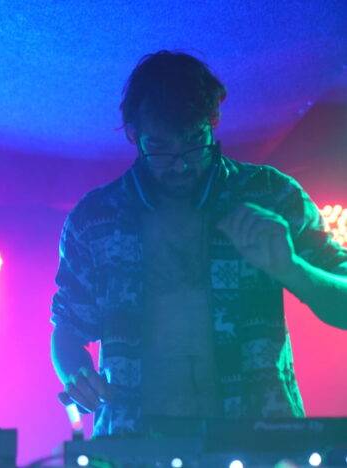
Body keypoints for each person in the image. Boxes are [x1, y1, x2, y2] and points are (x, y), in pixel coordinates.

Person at [50, 50, 347, 436]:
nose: (180, 164)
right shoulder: (95, 219)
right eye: (160, 147)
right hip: (135, 446)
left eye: (194, 141)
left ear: (214, 121)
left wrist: (293, 269)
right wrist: (78, 375)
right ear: (133, 135)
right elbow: (67, 328)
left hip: (259, 442)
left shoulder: (270, 194)